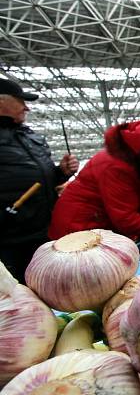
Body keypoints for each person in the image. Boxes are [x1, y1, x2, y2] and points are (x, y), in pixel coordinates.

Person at [0, 79, 79, 283]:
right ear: (1, 102)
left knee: (45, 283)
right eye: (20, 100)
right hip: (10, 237)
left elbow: (45, 179)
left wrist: (61, 172)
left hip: (41, 230)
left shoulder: (29, 137)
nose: (26, 107)